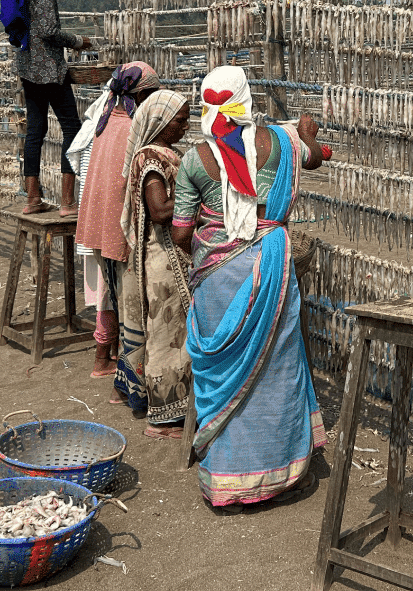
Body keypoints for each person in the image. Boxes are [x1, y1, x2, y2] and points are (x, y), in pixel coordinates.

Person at [171, 66, 326, 508]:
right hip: (272, 268)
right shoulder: (283, 143)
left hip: (219, 281)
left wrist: (211, 238)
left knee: (222, 372)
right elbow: (313, 155)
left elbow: (182, 233)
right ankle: (283, 473)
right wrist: (308, 133)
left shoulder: (193, 160)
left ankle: (229, 476)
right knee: (278, 369)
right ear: (246, 98)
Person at [106, 90, 194, 434]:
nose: (186, 127)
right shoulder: (151, 158)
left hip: (167, 257)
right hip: (163, 258)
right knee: (168, 336)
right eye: (180, 120)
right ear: (160, 122)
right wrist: (205, 206)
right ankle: (165, 417)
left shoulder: (162, 154)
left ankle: (140, 397)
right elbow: (159, 211)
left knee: (162, 332)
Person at [72, 62, 163, 378]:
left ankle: (103, 357)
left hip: (98, 223)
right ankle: (127, 371)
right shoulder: (132, 129)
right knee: (131, 302)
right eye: (151, 94)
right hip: (118, 227)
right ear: (142, 94)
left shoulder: (107, 120)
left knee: (108, 294)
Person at [0, 0, 92, 215]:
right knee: (72, 129)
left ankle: (33, 200)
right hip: (49, 70)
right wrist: (78, 41)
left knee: (35, 132)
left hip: (28, 68)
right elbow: (48, 31)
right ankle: (67, 202)